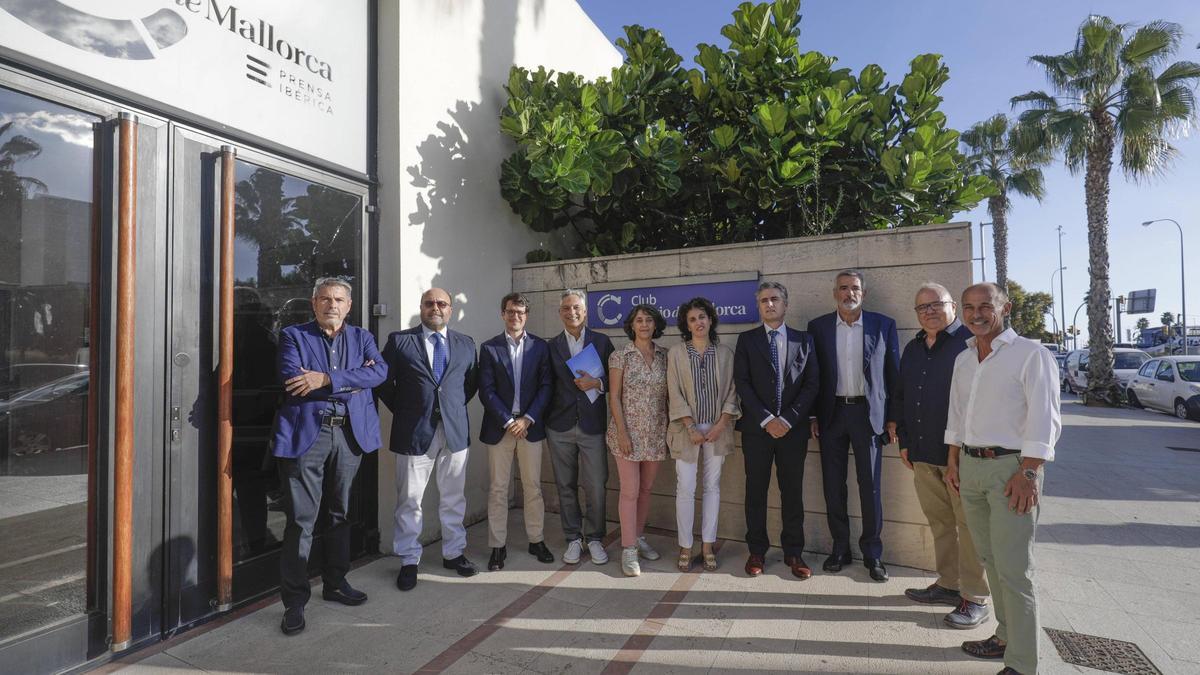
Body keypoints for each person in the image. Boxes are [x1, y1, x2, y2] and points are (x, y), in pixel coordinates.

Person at [946, 283, 1060, 675]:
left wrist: (1029, 473)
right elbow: (957, 416)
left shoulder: (1031, 354)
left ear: (1004, 307)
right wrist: (953, 462)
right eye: (969, 307)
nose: (976, 314)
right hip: (970, 466)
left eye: (985, 306)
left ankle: (1024, 664)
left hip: (1012, 470)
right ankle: (1006, 636)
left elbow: (1045, 419)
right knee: (990, 560)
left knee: (1015, 569)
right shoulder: (964, 358)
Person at [272, 278, 386, 635]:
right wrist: (354, 379)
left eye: (338, 299)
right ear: (314, 302)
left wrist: (325, 378)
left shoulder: (363, 338)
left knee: (340, 514)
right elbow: (293, 378)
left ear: (348, 306)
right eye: (324, 299)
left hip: (350, 434)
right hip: (309, 435)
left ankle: (336, 583)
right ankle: (294, 602)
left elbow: (379, 372)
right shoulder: (294, 335)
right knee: (301, 520)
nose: (331, 305)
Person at [892, 283, 991, 629]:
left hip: (960, 458)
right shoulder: (914, 347)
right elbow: (902, 395)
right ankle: (949, 584)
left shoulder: (969, 343)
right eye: (922, 308)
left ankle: (976, 597)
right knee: (940, 523)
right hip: (922, 453)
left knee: (970, 526)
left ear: (951, 307)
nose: (930, 312)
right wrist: (904, 440)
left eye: (936, 305)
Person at [378, 288, 479, 591]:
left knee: (453, 496)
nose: (435, 308)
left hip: (454, 431)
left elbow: (469, 384)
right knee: (409, 500)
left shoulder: (466, 343)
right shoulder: (400, 341)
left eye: (442, 303)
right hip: (413, 432)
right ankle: (409, 559)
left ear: (451, 309)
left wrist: (448, 411)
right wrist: (410, 411)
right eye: (429, 303)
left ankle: (454, 553)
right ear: (421, 307)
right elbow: (384, 383)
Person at [807, 270, 899, 582]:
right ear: (835, 293)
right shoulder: (818, 327)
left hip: (868, 415)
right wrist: (813, 416)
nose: (849, 293)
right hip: (831, 415)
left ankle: (873, 555)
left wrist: (893, 417)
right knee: (833, 486)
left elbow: (893, 375)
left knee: (870, 486)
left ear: (864, 292)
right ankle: (840, 548)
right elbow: (813, 376)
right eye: (844, 288)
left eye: (855, 288)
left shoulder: (883, 325)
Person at [733, 281, 820, 579]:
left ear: (786, 304)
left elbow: (812, 385)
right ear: (758, 306)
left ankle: (794, 552)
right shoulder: (746, 340)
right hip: (757, 431)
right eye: (764, 300)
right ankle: (756, 551)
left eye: (775, 299)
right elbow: (742, 383)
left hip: (793, 432)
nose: (769, 304)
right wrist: (767, 419)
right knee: (755, 491)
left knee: (792, 492)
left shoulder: (804, 340)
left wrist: (789, 419)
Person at [478, 292, 554, 571]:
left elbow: (547, 386)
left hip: (530, 428)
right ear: (502, 314)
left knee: (533, 487)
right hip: (500, 428)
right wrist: (509, 421)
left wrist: (529, 418)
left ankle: (536, 539)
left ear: (526, 315)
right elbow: (486, 390)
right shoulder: (489, 348)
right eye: (510, 311)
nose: (515, 316)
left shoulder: (540, 347)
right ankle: (497, 546)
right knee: (498, 489)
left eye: (520, 312)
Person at [666, 298, 740, 572]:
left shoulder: (725, 354)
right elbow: (673, 391)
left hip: (717, 430)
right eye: (693, 319)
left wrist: (721, 425)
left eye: (702, 317)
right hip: (687, 431)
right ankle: (685, 546)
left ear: (710, 320)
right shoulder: (676, 353)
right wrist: (689, 426)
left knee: (712, 487)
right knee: (685, 488)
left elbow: (733, 391)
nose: (699, 322)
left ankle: (707, 545)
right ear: (686, 325)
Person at [545, 289, 615, 565]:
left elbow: (617, 380)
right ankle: (573, 537)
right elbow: (544, 385)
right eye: (566, 308)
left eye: (576, 308)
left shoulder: (602, 341)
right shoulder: (550, 346)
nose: (571, 312)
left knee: (596, 485)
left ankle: (595, 537)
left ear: (585, 312)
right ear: (560, 313)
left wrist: (597, 383)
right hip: (559, 426)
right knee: (565, 485)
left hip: (592, 425)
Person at [607, 304, 669, 577]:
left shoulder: (665, 356)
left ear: (656, 325)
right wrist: (622, 432)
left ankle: (638, 535)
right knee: (630, 491)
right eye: (639, 320)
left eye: (649, 320)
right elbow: (614, 397)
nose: (644, 324)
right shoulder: (620, 356)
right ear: (631, 325)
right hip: (627, 433)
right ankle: (628, 549)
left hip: (655, 432)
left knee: (646, 489)